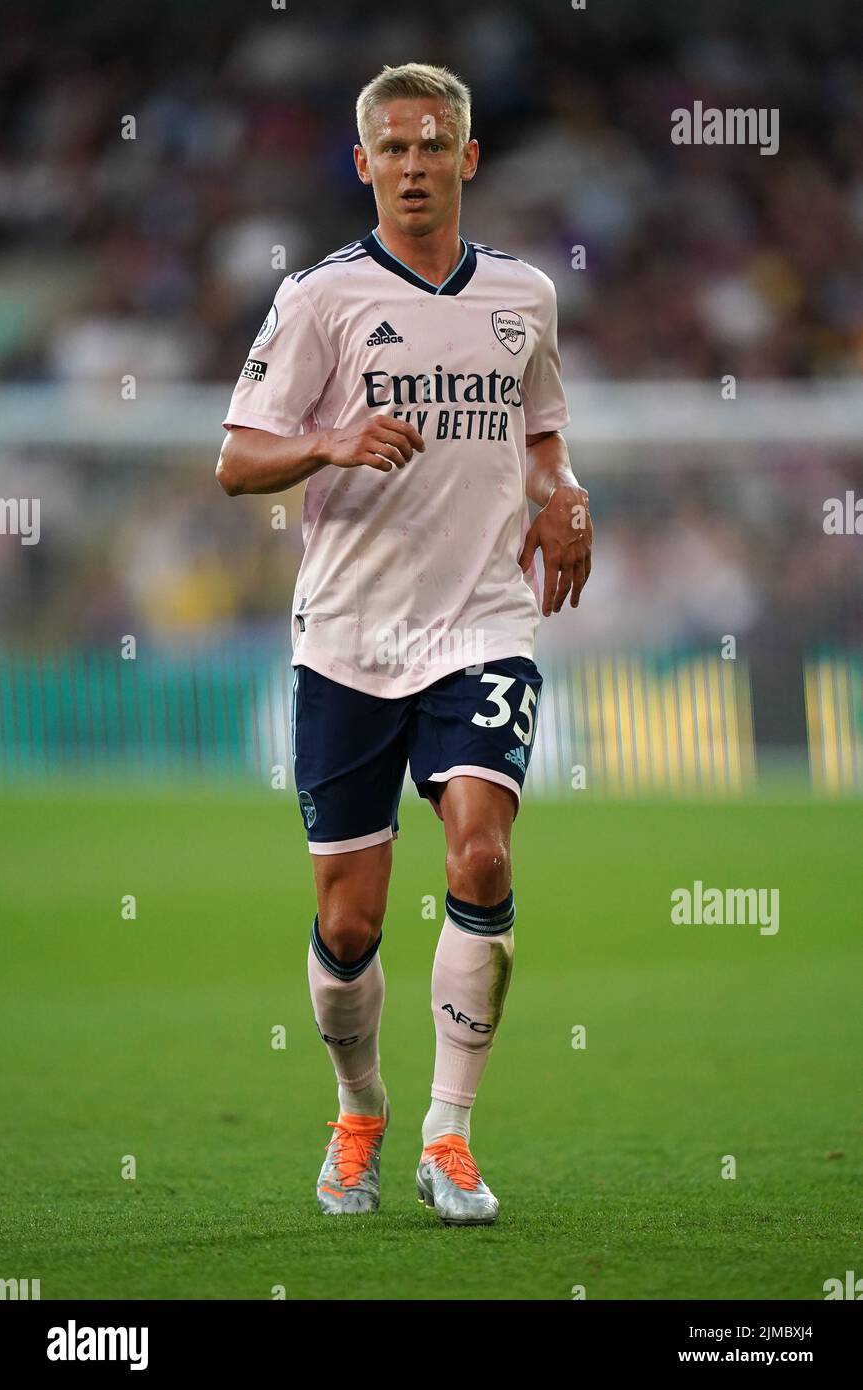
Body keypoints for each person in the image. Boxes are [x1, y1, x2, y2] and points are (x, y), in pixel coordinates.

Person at [217, 61, 592, 1225]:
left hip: (481, 621)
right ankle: (361, 1109)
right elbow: (237, 460)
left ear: (468, 159)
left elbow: (541, 437)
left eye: (435, 147)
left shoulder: (524, 296)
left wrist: (565, 494)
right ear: (362, 162)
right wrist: (330, 442)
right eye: (394, 148)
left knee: (480, 858)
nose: (415, 166)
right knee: (350, 918)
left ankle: (450, 1134)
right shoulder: (319, 298)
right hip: (347, 635)